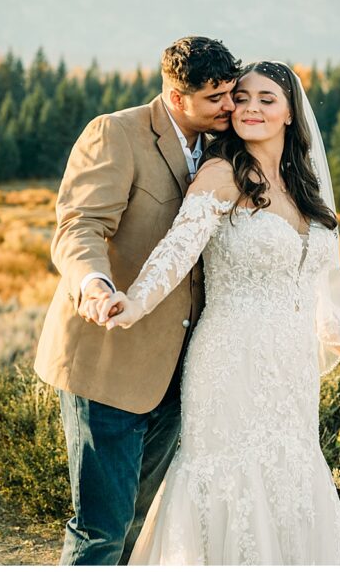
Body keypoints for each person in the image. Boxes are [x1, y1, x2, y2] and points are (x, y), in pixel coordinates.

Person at [96, 61, 340, 565]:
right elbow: (178, 250)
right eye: (242, 97)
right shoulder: (223, 173)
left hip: (293, 370)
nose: (250, 107)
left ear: (289, 114)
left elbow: (310, 289)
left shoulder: (306, 189)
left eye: (267, 99)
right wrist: (133, 302)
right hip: (230, 361)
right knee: (226, 480)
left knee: (289, 477)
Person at [35, 36, 241, 564]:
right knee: (101, 530)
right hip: (108, 359)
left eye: (231, 92)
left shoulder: (227, 147)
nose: (229, 106)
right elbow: (80, 225)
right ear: (176, 96)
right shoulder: (116, 133)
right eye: (215, 97)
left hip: (178, 372)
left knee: (142, 527)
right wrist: (93, 285)